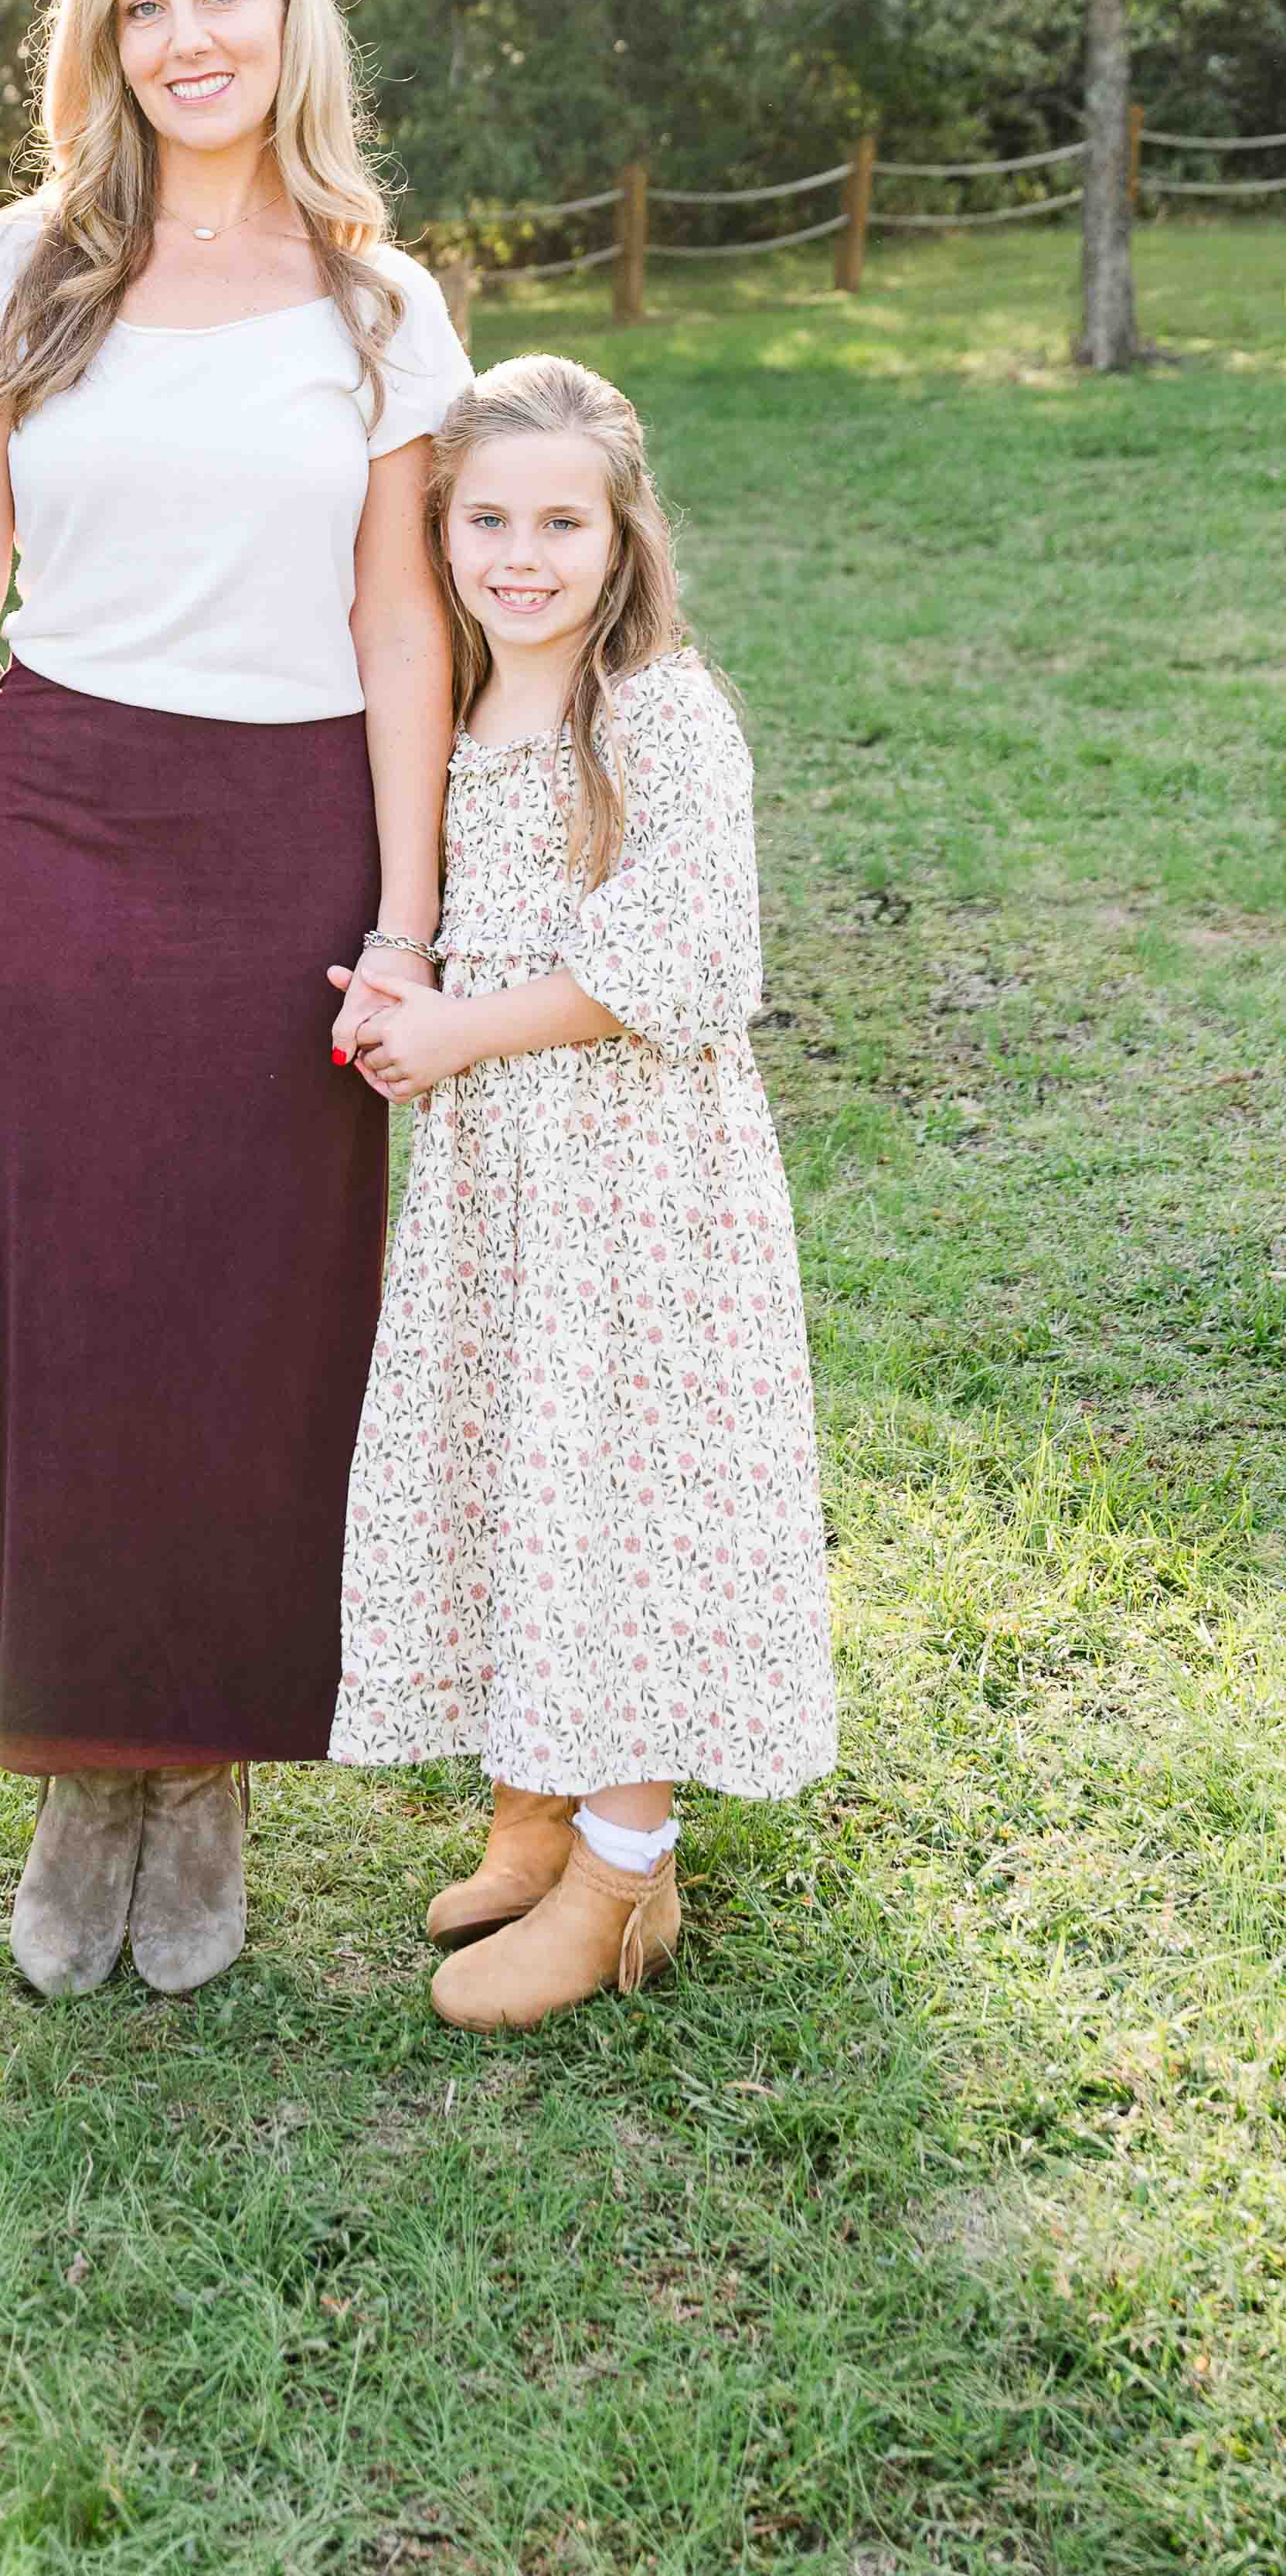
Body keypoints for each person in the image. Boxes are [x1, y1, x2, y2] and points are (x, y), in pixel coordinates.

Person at [0, 0, 468, 1998]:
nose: (193, 36)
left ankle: (204, 1777)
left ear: (294, 18)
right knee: (76, 1302)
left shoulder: (381, 302)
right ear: (98, 42)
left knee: (265, 1311)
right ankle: (80, 1763)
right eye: (147, 4)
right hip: (76, 820)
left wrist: (408, 919)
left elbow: (401, 621)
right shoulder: (24, 270)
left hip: (292, 832)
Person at [327, 352, 839, 2027]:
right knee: (516, 1464)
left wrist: (458, 1026)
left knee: (614, 1493)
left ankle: (625, 1868)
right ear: (440, 531)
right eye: (488, 519)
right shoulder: (466, 701)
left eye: (563, 521)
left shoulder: (657, 712)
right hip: (509, 1182)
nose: (522, 554)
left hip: (632, 1178)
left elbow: (687, 957)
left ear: (625, 539)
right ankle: (540, 1796)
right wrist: (405, 993)